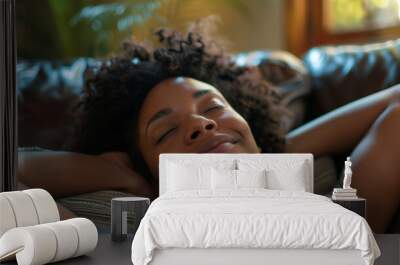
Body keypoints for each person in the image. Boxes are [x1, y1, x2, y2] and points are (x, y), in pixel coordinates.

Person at [18, 26, 400, 233]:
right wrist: (119, 175)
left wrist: (268, 157)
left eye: (214, 108)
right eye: (165, 132)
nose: (201, 124)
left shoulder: (321, 185)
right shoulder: (129, 220)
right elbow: (11, 169)